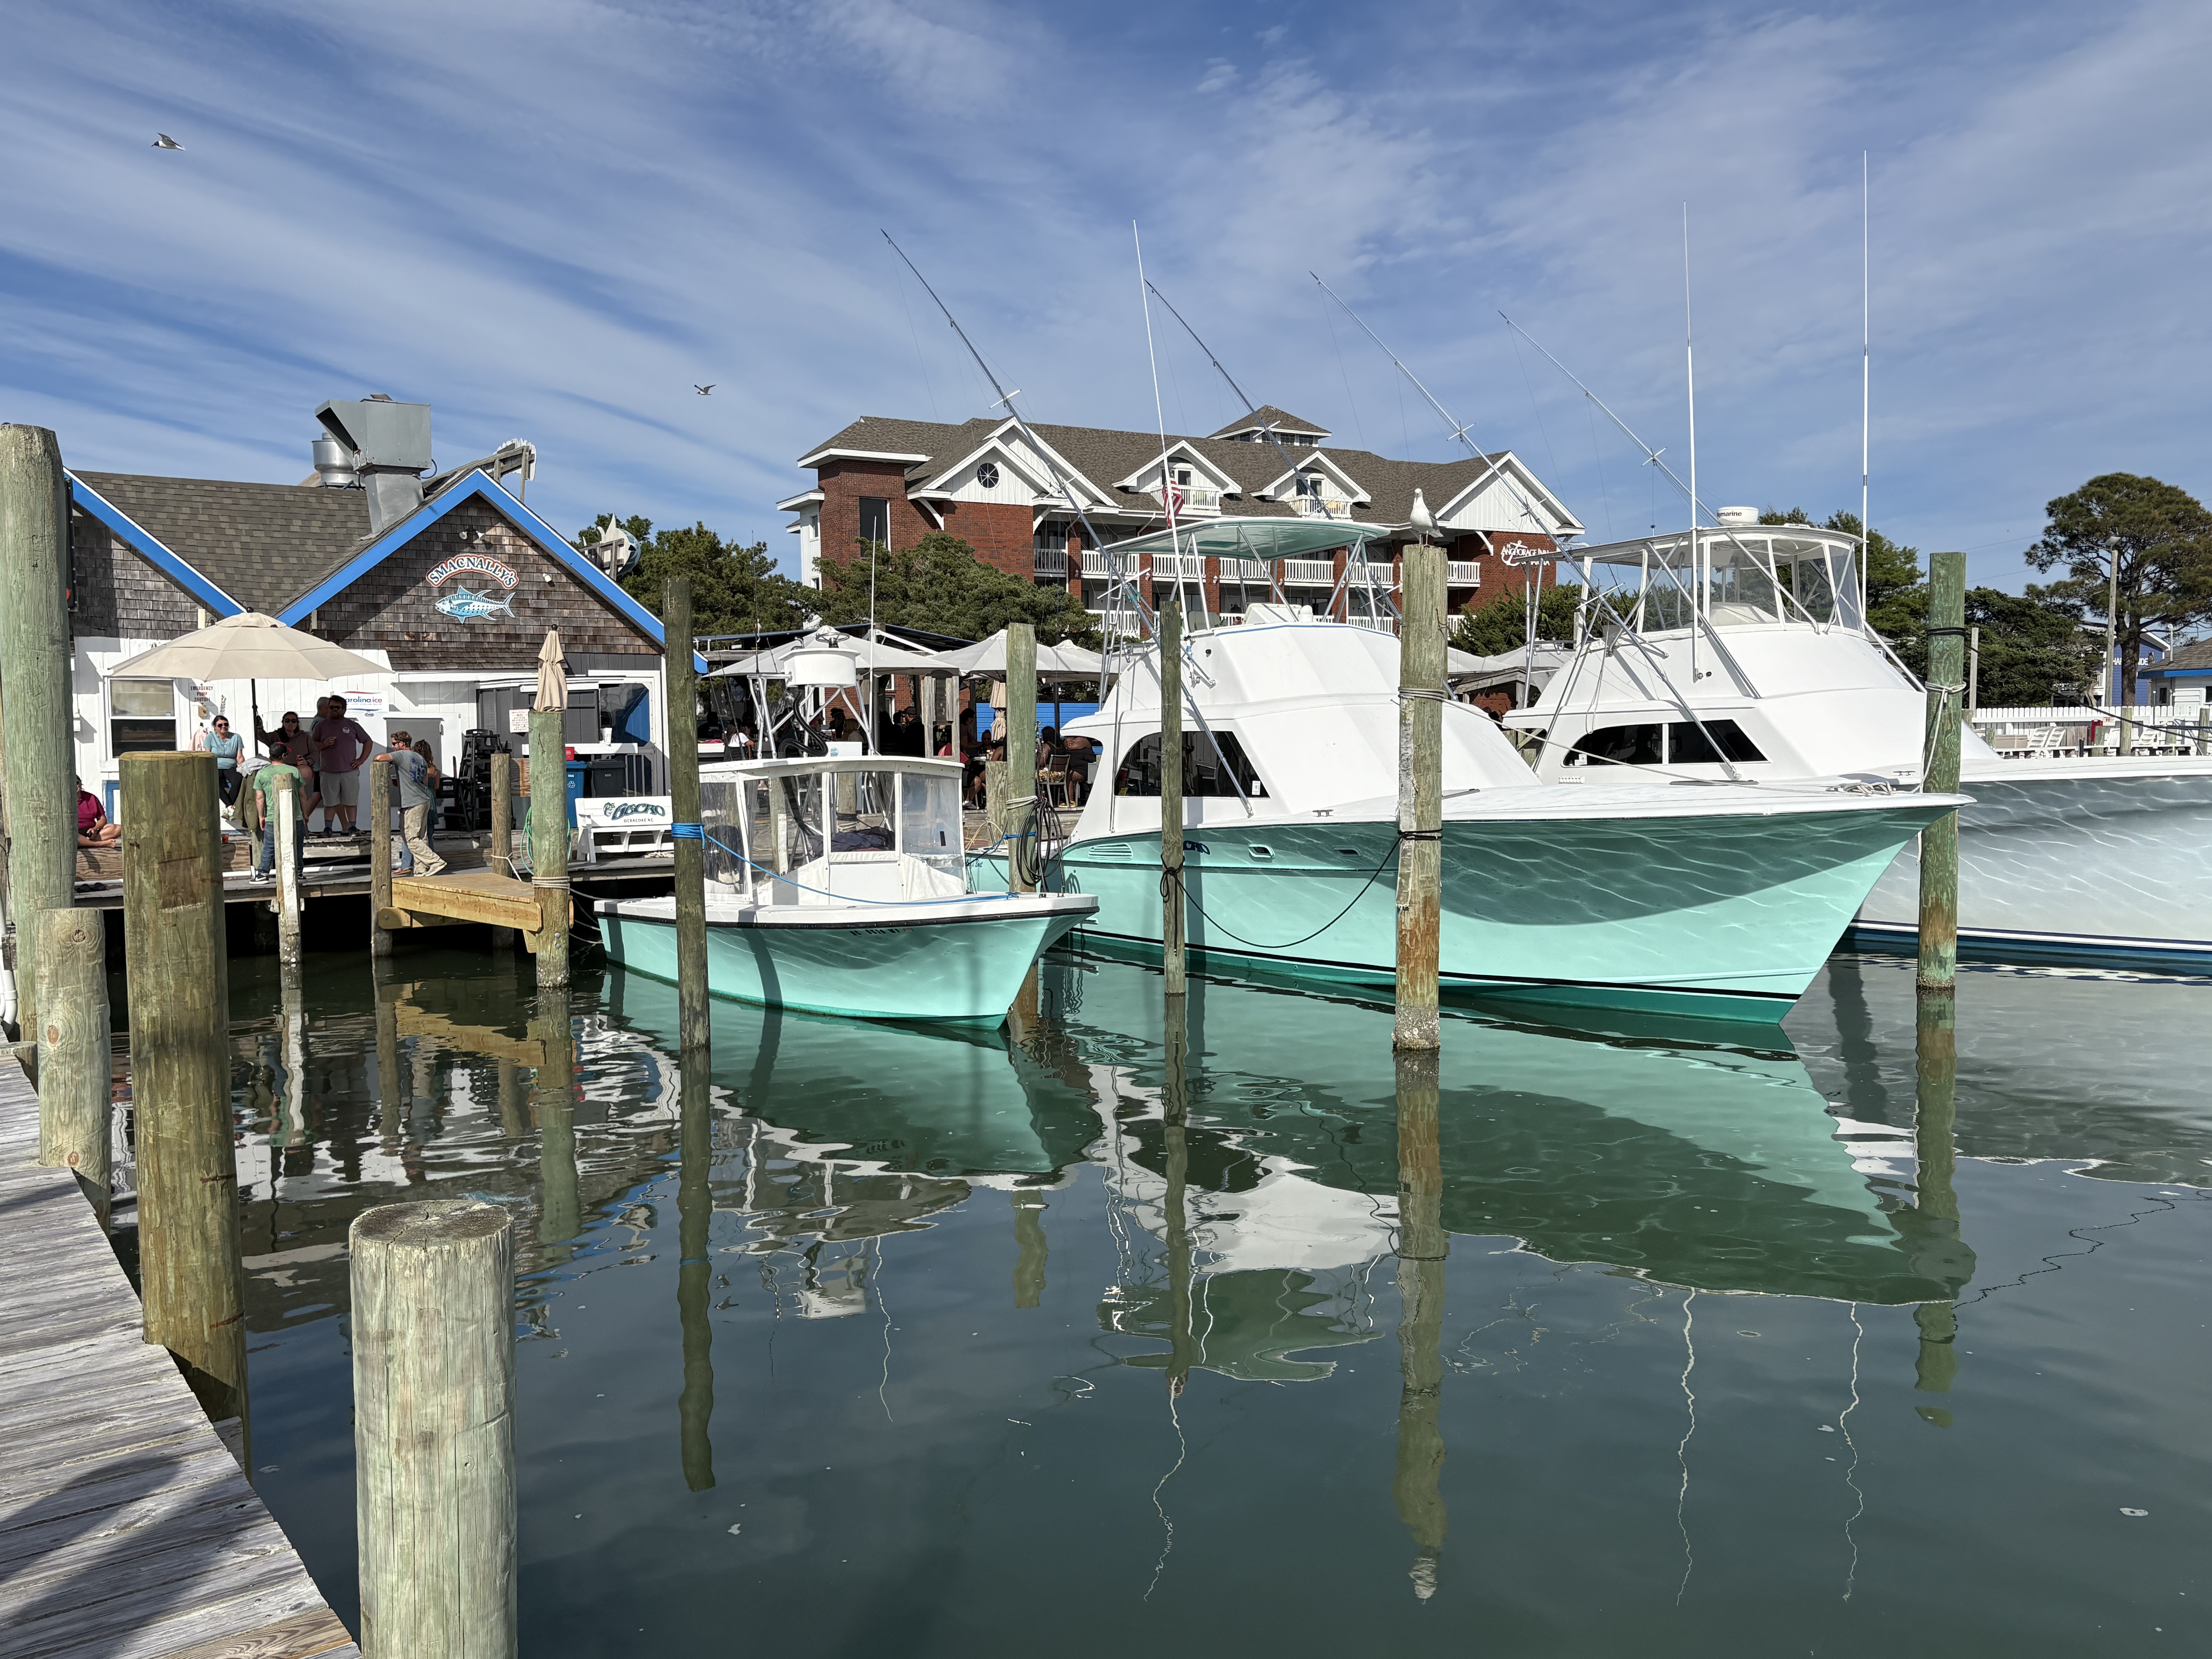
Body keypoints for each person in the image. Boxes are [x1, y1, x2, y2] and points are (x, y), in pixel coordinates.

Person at [373, 730, 446, 876]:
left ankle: (435, 861)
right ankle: (420, 869)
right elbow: (425, 781)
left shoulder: (401, 755)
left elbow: (379, 758)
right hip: (424, 800)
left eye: (394, 744)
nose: (393, 747)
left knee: (411, 838)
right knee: (422, 837)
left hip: (412, 802)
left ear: (401, 744)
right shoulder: (420, 758)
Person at [310, 695, 373, 835]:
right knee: (330, 803)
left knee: (351, 802)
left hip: (349, 770)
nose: (334, 711)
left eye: (337, 708)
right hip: (327, 771)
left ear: (344, 709)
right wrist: (324, 744)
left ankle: (352, 828)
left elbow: (368, 741)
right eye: (331, 708)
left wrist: (361, 760)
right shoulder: (321, 726)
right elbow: (312, 745)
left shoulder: (352, 725)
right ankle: (328, 829)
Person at [249, 751, 304, 881]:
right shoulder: (294, 771)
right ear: (284, 756)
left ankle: (263, 874)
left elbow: (260, 798)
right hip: (295, 815)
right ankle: (299, 873)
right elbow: (302, 795)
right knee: (297, 845)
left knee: (269, 846)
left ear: (270, 756)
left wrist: (262, 816)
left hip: (273, 817)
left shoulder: (262, 773)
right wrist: (305, 814)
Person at [198, 715, 245, 806]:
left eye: (226, 724)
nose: (224, 727)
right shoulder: (210, 737)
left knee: (238, 780)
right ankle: (229, 805)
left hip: (231, 766)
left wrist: (243, 768)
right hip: (215, 766)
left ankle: (229, 806)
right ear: (215, 727)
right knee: (214, 781)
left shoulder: (236, 737)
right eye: (220, 725)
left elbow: (240, 756)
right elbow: (207, 754)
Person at [75, 778, 120, 848]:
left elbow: (102, 819)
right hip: (74, 833)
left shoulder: (91, 798)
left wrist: (96, 829)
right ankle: (99, 844)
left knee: (117, 829)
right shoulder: (62, 800)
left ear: (81, 784)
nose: (76, 786)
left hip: (91, 833)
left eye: (77, 783)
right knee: (72, 835)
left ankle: (86, 843)